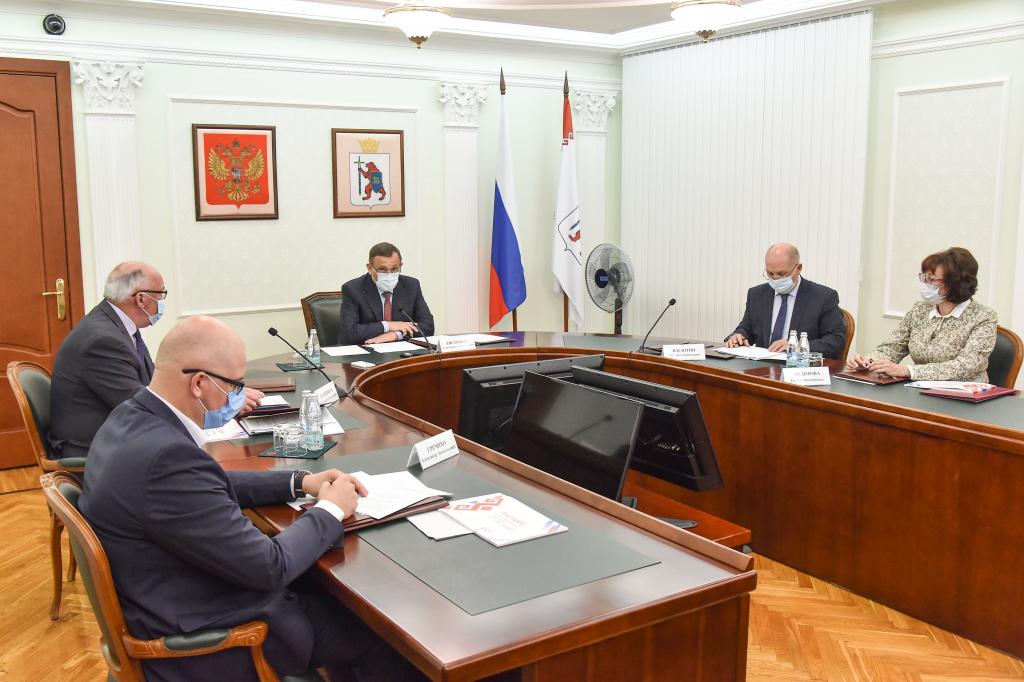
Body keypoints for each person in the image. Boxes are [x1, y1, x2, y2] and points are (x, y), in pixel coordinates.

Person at [80, 316, 421, 681]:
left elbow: (207, 482)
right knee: (386, 636)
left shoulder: (130, 418)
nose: (239, 396)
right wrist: (331, 508)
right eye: (235, 385)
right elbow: (270, 566)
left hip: (167, 596)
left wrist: (300, 481)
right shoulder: (167, 460)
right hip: (215, 639)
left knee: (331, 593)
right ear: (199, 383)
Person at [48, 261, 262, 459]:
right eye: (161, 294)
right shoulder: (102, 341)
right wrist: (225, 406)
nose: (162, 302)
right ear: (141, 299)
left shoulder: (117, 326)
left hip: (121, 436)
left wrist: (220, 394)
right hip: (95, 451)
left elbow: (154, 384)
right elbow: (142, 406)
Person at [848, 247, 997, 381]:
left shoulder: (984, 317)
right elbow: (893, 347)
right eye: (924, 277)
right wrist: (869, 362)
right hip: (919, 389)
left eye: (931, 279)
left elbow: (966, 366)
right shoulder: (920, 309)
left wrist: (908, 371)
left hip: (964, 395)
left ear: (955, 284)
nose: (925, 283)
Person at [725, 243, 846, 359]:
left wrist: (796, 346)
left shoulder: (824, 297)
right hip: (761, 366)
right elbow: (746, 329)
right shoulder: (756, 294)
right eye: (770, 273)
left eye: (782, 274)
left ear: (798, 268)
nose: (775, 279)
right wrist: (738, 336)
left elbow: (836, 341)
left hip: (800, 367)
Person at [340, 242, 434, 345]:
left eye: (394, 269)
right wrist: (387, 326)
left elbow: (428, 326)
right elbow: (349, 334)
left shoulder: (411, 285)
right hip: (367, 348)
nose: (389, 275)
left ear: (401, 266)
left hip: (400, 349)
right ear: (370, 268)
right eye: (382, 270)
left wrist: (397, 334)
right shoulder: (353, 289)